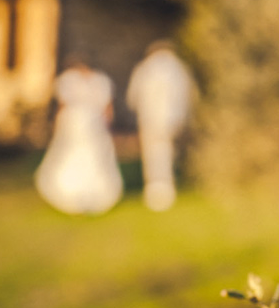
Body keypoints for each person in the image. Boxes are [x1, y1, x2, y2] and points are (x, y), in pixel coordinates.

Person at [35, 54, 123, 214]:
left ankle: (83, 197)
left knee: (85, 157)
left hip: (79, 124)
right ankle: (80, 197)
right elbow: (108, 109)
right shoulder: (99, 80)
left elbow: (63, 105)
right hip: (87, 125)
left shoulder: (71, 79)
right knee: (86, 157)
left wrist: (57, 125)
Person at [126, 40, 194, 211]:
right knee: (168, 153)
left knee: (152, 154)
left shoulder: (144, 69)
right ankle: (165, 189)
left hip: (149, 118)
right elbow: (186, 96)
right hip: (172, 119)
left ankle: (155, 190)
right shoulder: (178, 69)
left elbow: (133, 98)